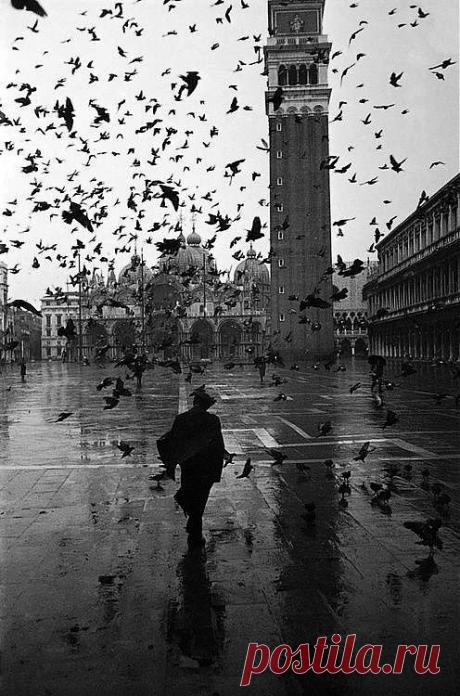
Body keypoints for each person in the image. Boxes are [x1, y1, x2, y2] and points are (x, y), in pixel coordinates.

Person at [161, 388, 226, 549]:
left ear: (194, 403)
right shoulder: (212, 420)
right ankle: (195, 534)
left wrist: (173, 464)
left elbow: (173, 444)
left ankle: (193, 525)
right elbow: (218, 445)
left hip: (188, 464)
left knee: (191, 492)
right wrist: (218, 467)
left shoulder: (181, 419)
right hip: (206, 466)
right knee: (201, 498)